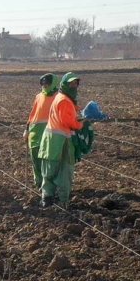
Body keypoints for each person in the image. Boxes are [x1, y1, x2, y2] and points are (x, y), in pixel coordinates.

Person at [37, 73, 92, 208]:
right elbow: (67, 121)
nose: (74, 86)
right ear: (64, 84)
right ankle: (62, 200)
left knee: (49, 168)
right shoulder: (65, 101)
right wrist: (80, 124)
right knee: (64, 171)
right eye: (71, 84)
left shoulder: (60, 98)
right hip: (62, 140)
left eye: (76, 83)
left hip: (51, 139)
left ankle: (47, 197)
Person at [23, 74, 58, 188]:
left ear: (52, 83)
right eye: (42, 84)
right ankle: (39, 185)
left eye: (47, 83)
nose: (44, 86)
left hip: (51, 133)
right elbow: (33, 114)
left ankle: (49, 186)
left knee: (48, 161)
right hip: (35, 133)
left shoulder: (59, 97)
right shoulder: (38, 96)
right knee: (36, 161)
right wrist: (27, 129)